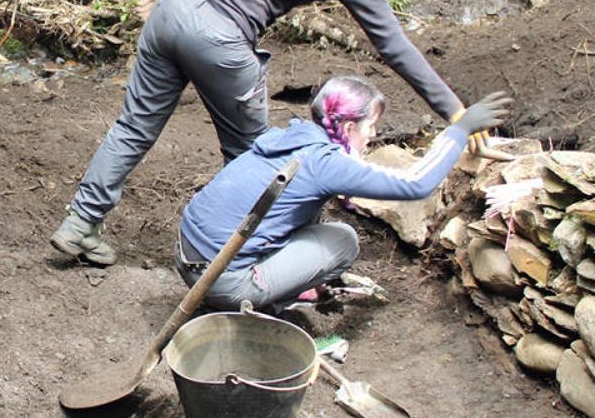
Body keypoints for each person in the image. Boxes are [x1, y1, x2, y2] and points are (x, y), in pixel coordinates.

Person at [50, 0, 484, 266]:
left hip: (174, 8)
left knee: (134, 126)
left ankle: (80, 225)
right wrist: (454, 110)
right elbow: (391, 43)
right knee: (260, 158)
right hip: (222, 41)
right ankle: (242, 262)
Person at [177, 76, 511, 311]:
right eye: (371, 126)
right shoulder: (325, 163)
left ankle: (285, 283)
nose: (374, 135)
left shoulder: (293, 136)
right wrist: (459, 131)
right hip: (219, 281)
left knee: (311, 222)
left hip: (188, 254)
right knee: (343, 240)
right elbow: (414, 183)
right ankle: (266, 299)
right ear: (349, 128)